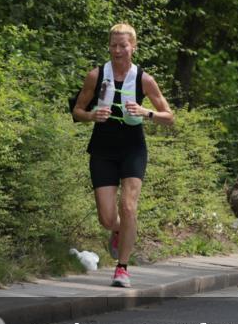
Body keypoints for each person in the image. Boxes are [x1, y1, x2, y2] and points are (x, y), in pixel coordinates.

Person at [72, 23, 174, 288]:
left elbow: (169, 117)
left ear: (133, 47)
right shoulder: (96, 75)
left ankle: (122, 268)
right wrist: (92, 115)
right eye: (113, 45)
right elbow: (77, 111)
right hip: (103, 148)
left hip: (133, 148)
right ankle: (119, 230)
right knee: (107, 219)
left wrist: (146, 112)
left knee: (128, 207)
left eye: (123, 45)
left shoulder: (144, 79)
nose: (118, 50)